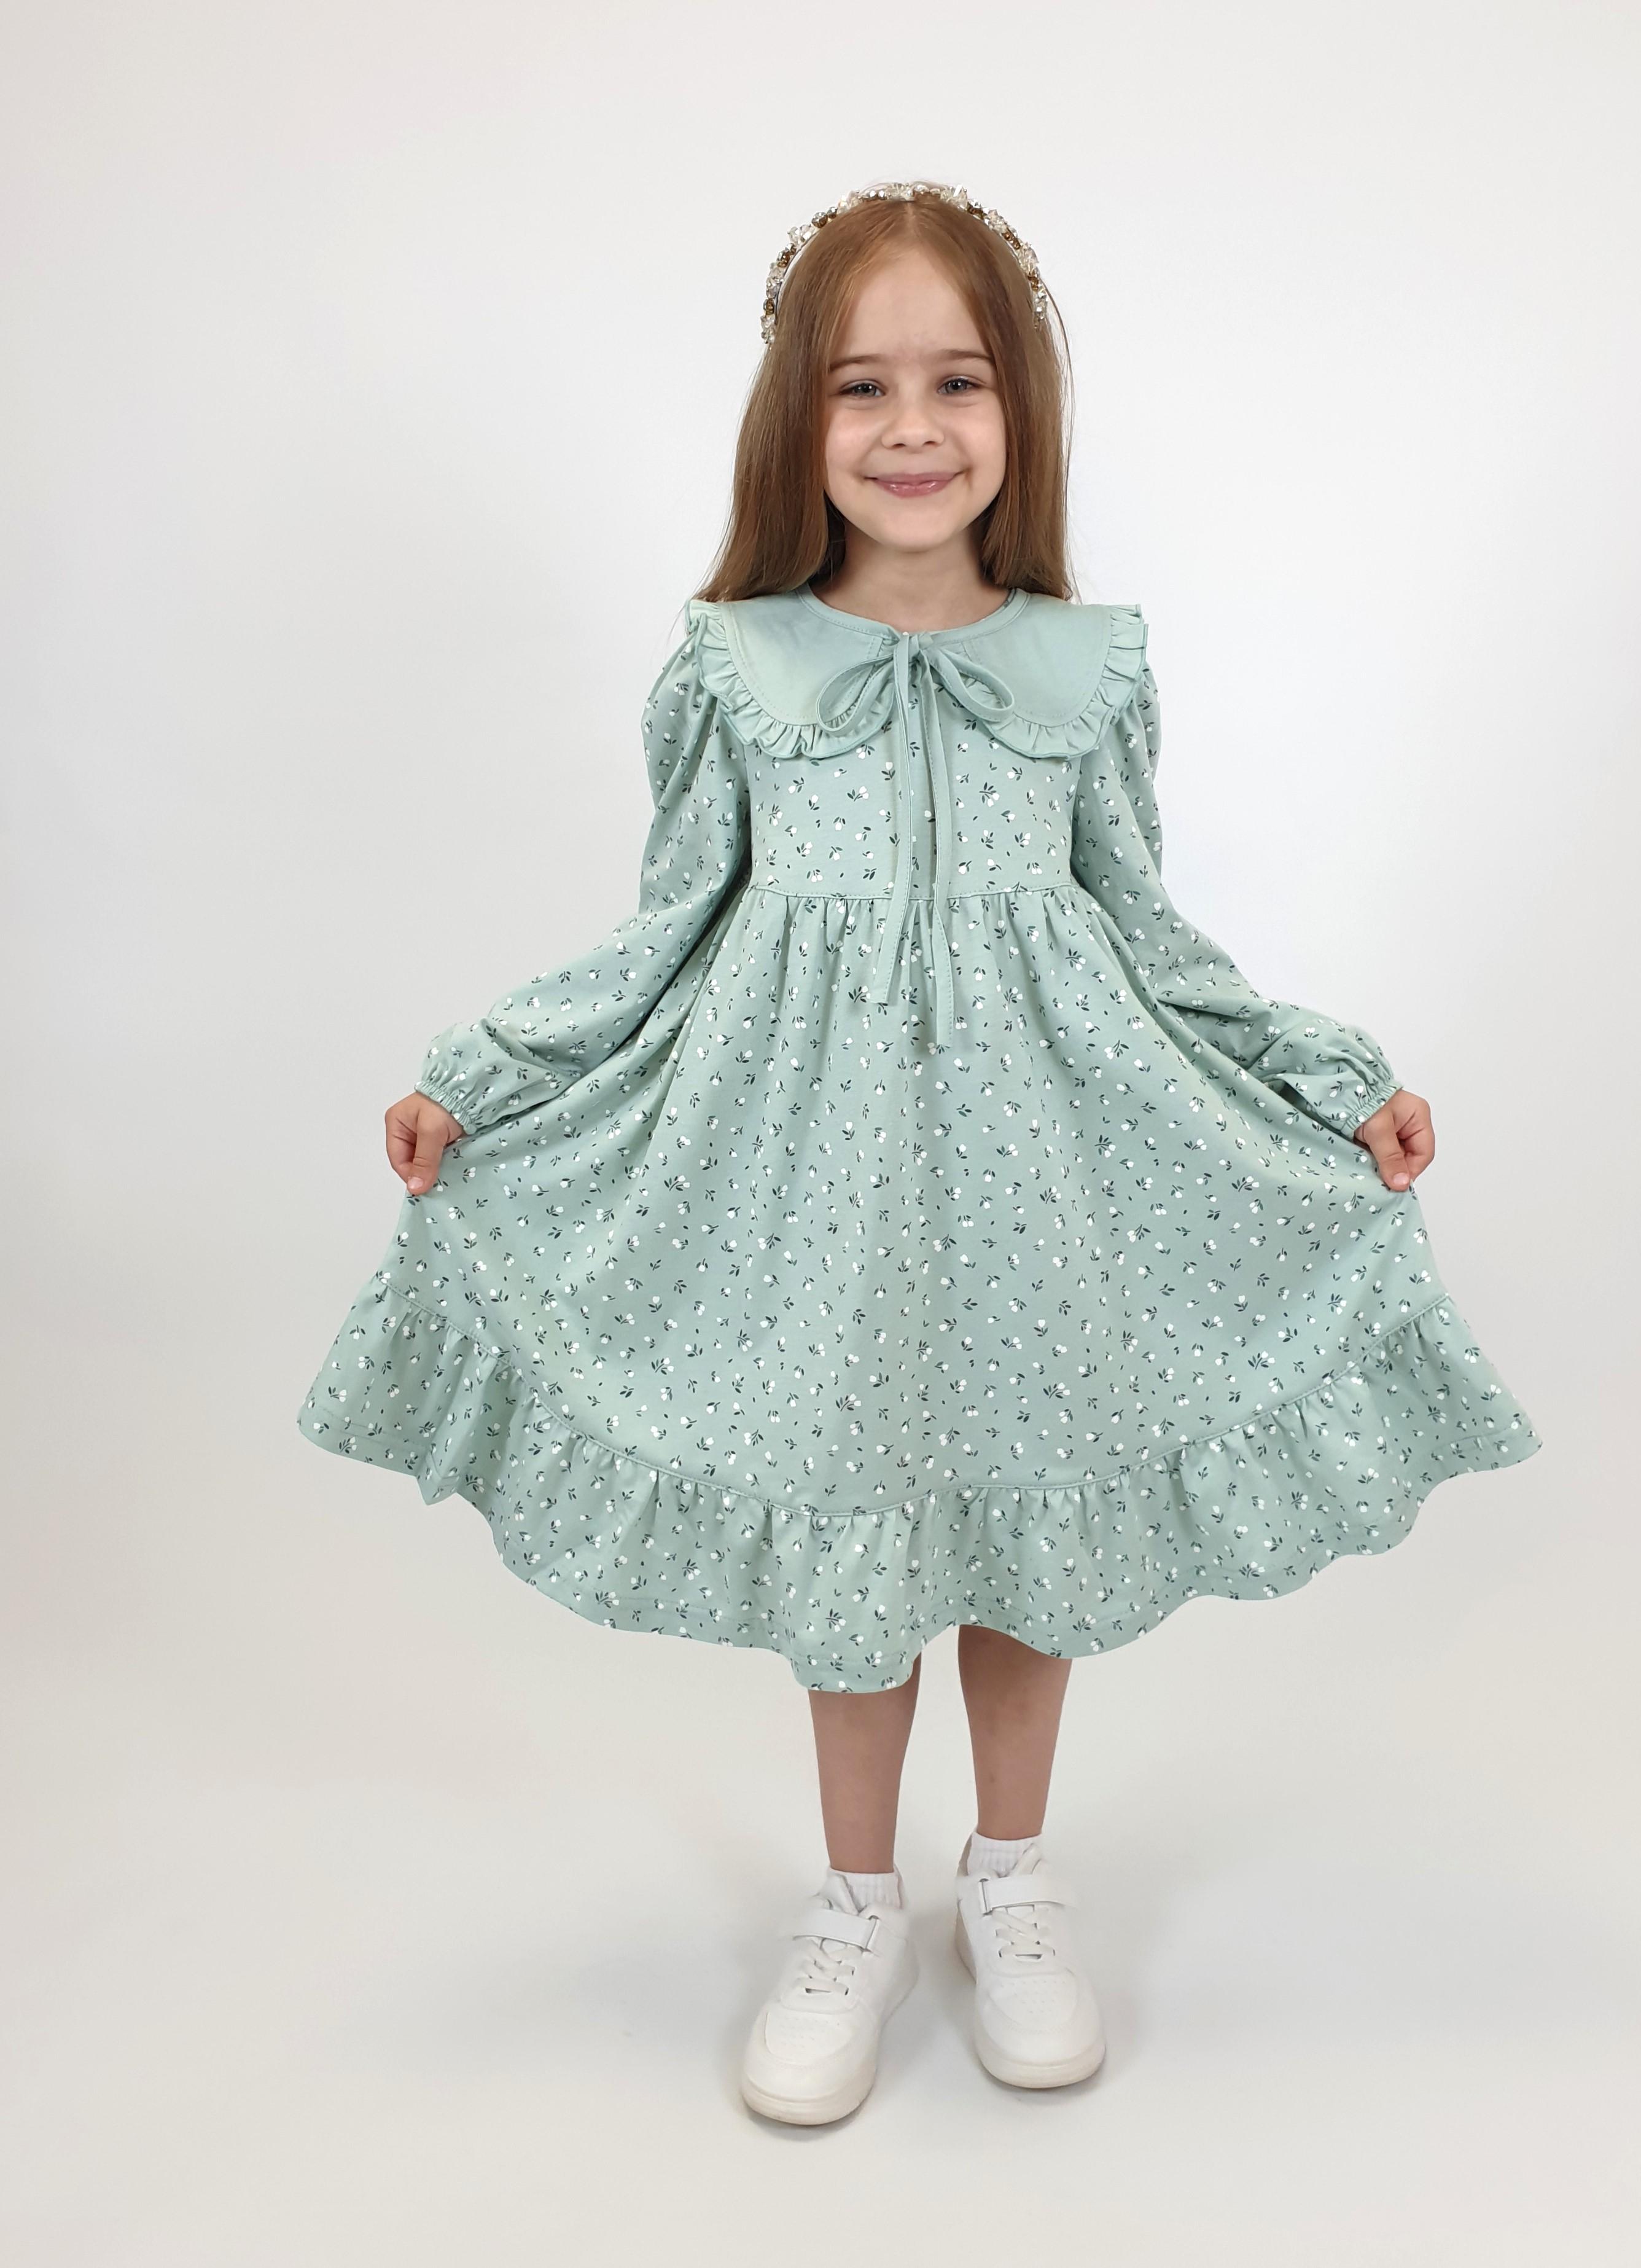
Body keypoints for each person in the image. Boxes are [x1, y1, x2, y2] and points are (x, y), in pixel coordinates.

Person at [297, 179, 1542, 2125]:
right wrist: (484, 1074)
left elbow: (1144, 928)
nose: (910, 427)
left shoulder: (1083, 666)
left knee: (1028, 1501)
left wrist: (1321, 1077)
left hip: (1047, 1155)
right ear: (796, 417)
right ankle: (856, 1901)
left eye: (956, 382)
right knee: (856, 1517)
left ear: (1018, 411)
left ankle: (1014, 1879)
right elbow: (667, 928)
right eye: (861, 385)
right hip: (817, 1172)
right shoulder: (735, 666)